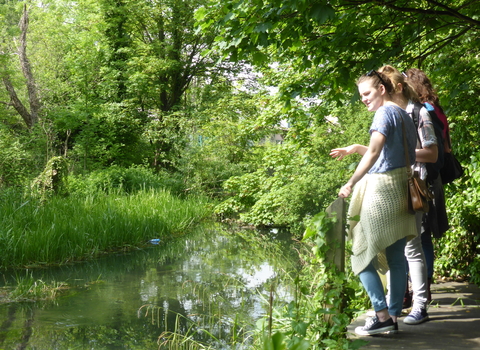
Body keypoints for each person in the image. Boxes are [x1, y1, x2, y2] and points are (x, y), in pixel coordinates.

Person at [329, 70, 417, 335]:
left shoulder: (384, 114)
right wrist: (357, 148)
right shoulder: (404, 114)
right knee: (397, 258)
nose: (364, 99)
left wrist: (351, 181)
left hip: (382, 192)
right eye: (361, 96)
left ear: (381, 89)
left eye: (366, 93)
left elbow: (377, 152)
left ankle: (380, 315)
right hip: (402, 188)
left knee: (360, 255)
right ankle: (392, 317)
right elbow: (396, 154)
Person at [378, 65, 438, 325]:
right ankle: (394, 305)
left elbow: (433, 153)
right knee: (394, 248)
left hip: (412, 185)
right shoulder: (385, 114)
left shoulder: (418, 112)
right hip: (390, 187)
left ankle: (420, 305)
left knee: (413, 248)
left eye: (384, 89)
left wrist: (401, 156)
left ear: (396, 88)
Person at [404, 68, 450, 300]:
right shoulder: (437, 109)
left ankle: (418, 290)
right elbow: (447, 147)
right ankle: (425, 285)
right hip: (435, 176)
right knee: (424, 234)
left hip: (423, 177)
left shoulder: (422, 111)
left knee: (419, 234)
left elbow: (431, 150)